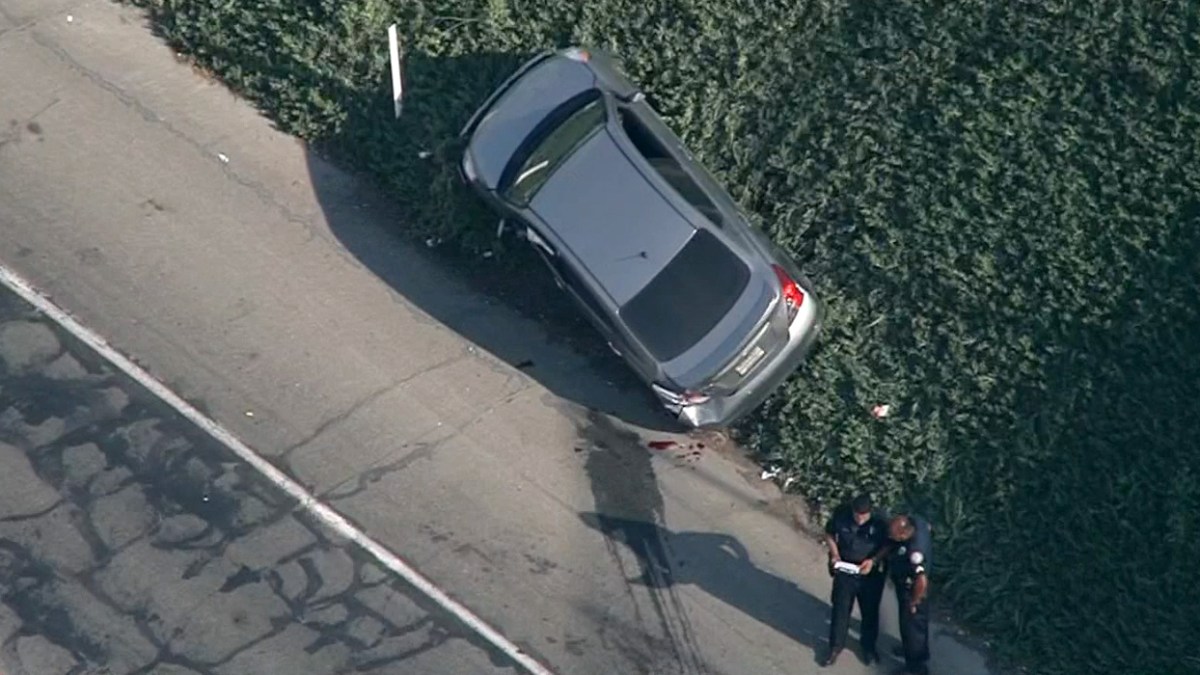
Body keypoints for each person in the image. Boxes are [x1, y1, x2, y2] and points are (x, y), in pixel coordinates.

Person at [821, 493, 889, 666]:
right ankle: (835, 647)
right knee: (841, 609)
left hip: (870, 574)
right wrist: (834, 554)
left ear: (870, 512)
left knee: (870, 612)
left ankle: (868, 648)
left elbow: (888, 545)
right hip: (845, 569)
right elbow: (829, 534)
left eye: (863, 517)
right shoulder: (841, 513)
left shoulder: (880, 521)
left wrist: (873, 561)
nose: (859, 520)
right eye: (857, 516)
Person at [887, 513, 933, 675]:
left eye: (895, 537)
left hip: (913, 591)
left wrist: (914, 602)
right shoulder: (916, 522)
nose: (893, 540)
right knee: (916, 628)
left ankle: (915, 667)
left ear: (904, 533)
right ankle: (915, 652)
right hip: (909, 587)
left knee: (911, 629)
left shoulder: (915, 553)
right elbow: (927, 526)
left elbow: (921, 581)